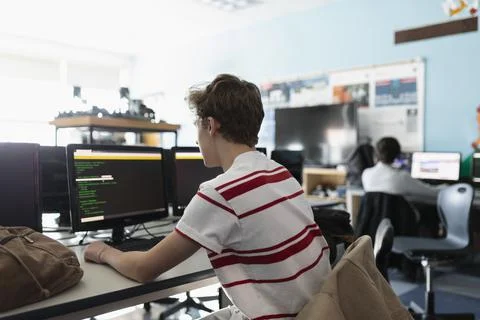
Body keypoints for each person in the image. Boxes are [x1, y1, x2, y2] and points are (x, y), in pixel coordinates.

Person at [84, 74, 331, 319]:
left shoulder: (220, 192)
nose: (196, 139)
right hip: (317, 312)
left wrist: (104, 252)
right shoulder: (281, 173)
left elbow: (144, 269)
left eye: (197, 127)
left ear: (211, 125)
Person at [362, 137, 443, 203]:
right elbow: (432, 192)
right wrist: (446, 187)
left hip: (375, 221)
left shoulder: (366, 174)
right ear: (398, 155)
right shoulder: (402, 177)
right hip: (398, 221)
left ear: (376, 154)